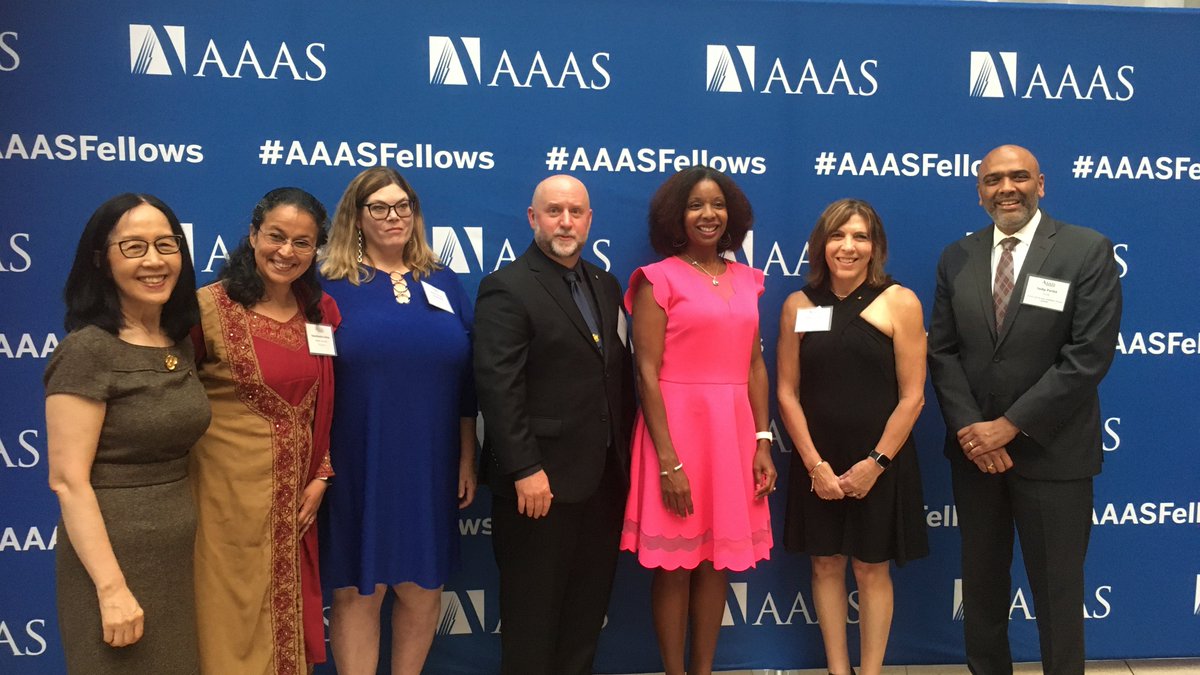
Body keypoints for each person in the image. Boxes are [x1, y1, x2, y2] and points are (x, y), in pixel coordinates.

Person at [928, 144, 1122, 675]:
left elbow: (1088, 356)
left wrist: (1008, 427)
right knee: (984, 592)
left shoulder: (1086, 250)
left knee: (1058, 596)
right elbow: (942, 352)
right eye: (993, 180)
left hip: (1053, 455)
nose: (1005, 188)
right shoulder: (957, 257)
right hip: (977, 458)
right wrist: (974, 431)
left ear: (1042, 183)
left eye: (1018, 177)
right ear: (979, 191)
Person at [318, 167, 477, 675]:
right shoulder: (326, 286)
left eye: (402, 207)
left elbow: (468, 383)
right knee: (358, 592)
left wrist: (467, 457)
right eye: (380, 208)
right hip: (356, 458)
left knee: (423, 588)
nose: (394, 217)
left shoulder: (444, 280)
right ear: (357, 217)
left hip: (430, 460)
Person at [474, 174, 633, 675]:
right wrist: (525, 469)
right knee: (532, 621)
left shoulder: (605, 284)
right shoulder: (507, 287)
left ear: (590, 220)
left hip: (603, 482)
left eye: (576, 212)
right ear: (532, 218)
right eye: (554, 211)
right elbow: (499, 388)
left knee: (584, 621)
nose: (566, 222)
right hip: (537, 487)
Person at [620, 166, 776, 675]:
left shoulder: (749, 280)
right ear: (674, 216)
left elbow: (754, 365)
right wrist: (668, 460)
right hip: (676, 434)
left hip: (733, 435)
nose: (708, 215)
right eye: (694, 206)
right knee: (675, 568)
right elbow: (645, 372)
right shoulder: (657, 279)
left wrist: (762, 440)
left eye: (716, 204)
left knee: (716, 566)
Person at [45, 194, 210, 674]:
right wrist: (112, 590)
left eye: (166, 244)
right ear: (101, 259)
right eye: (134, 247)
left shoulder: (176, 340)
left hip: (177, 559)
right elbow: (68, 481)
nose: (154, 260)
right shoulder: (87, 352)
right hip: (114, 566)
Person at [777, 199, 929, 675]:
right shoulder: (798, 305)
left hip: (879, 461)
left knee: (871, 567)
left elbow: (913, 397)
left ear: (875, 246)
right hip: (817, 460)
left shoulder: (900, 301)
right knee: (824, 564)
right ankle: (838, 671)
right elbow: (786, 392)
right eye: (838, 236)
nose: (848, 247)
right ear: (820, 245)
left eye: (860, 236)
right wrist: (814, 465)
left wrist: (876, 463)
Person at [190, 187, 338, 674]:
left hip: (295, 503)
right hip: (223, 501)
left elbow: (330, 402)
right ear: (253, 235)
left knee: (287, 624)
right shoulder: (206, 310)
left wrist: (321, 474)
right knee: (226, 621)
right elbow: (173, 406)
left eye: (302, 243)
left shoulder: (321, 312)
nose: (286, 252)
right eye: (275, 236)